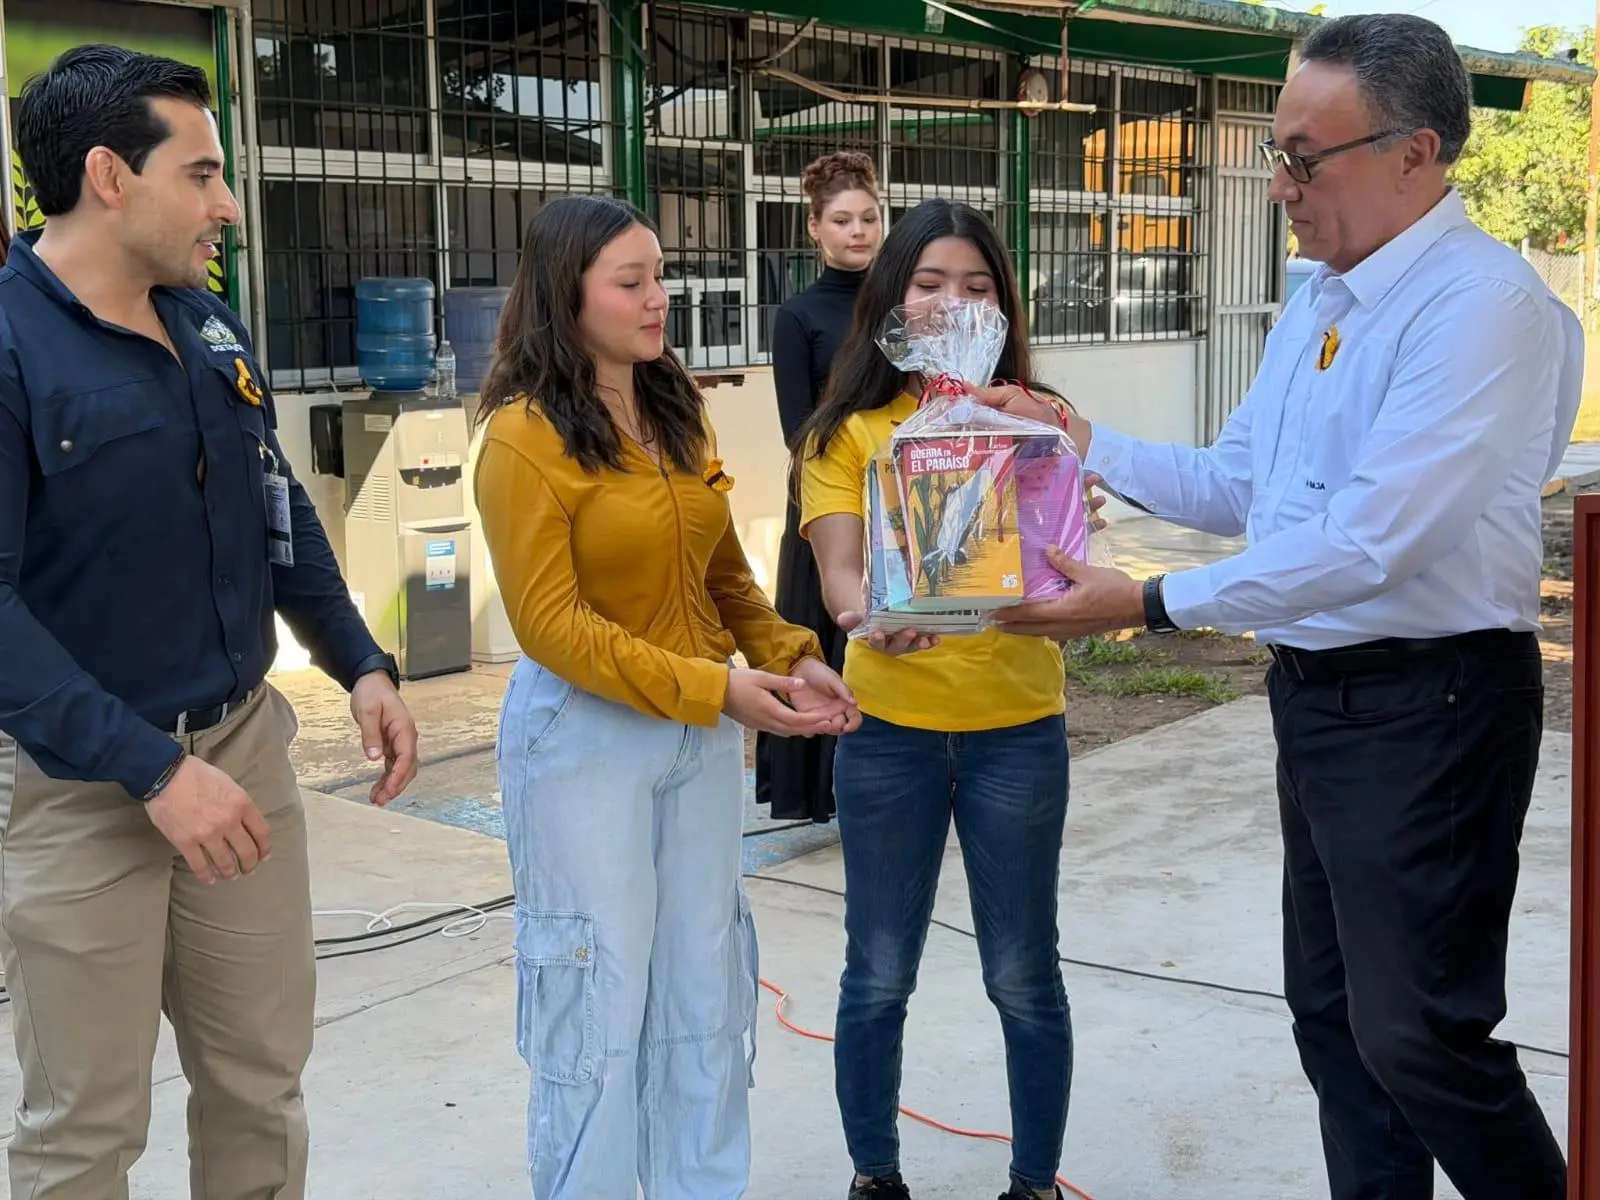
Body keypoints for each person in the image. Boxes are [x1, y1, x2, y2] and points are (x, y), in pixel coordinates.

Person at [983, 15, 1582, 1200]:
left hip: (1434, 704)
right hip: (1319, 699)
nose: (1279, 187)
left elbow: (1372, 540)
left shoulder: (1481, 311)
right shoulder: (1320, 298)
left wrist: (1146, 602)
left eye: (1305, 158)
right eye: (1276, 152)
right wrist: (1085, 440)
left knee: (1421, 1032)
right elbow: (1244, 486)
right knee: (1336, 1020)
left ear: (1414, 152)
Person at [0, 45, 418, 1200]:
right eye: (203, 173)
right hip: (81, 787)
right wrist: (150, 772)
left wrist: (359, 662)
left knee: (258, 1081)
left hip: (239, 752)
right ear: (109, 177)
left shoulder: (209, 329)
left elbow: (273, 504)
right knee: (83, 1125)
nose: (227, 204)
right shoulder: (10, 350)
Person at [472, 193, 860, 1200]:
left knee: (701, 984)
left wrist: (791, 653)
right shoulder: (521, 438)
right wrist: (717, 687)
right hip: (585, 743)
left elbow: (722, 575)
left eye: (661, 277)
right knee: (599, 994)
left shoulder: (671, 406)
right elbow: (550, 627)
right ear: (569, 296)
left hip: (695, 732)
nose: (661, 299)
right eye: (632, 282)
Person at [794, 198, 1078, 1200]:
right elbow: (836, 573)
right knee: (876, 973)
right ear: (890, 299)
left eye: (974, 285)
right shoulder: (852, 433)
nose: (952, 303)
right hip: (889, 738)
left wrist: (1053, 453)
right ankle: (875, 1173)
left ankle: (1034, 1182)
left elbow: (1070, 568)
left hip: (1017, 735)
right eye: (928, 284)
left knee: (1021, 973)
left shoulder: (1032, 423)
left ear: (1004, 303)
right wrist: (867, 611)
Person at [756, 149, 883, 825]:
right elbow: (797, 429)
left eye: (868, 217)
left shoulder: (904, 305)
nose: (857, 231)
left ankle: (886, 779)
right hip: (824, 498)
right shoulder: (798, 315)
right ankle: (817, 790)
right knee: (824, 635)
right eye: (841, 220)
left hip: (901, 496)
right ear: (815, 229)